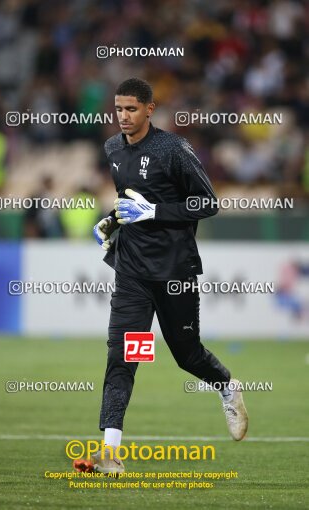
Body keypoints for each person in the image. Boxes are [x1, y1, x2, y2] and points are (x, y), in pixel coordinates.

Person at [90, 78, 248, 474]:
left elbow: (208, 202)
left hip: (174, 271)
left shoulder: (173, 149)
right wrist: (111, 221)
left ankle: (226, 386)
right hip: (132, 273)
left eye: (131, 109)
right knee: (124, 355)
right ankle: (110, 452)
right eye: (118, 109)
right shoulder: (112, 149)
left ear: (149, 109)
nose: (123, 116)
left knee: (186, 354)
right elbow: (129, 200)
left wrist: (154, 212)